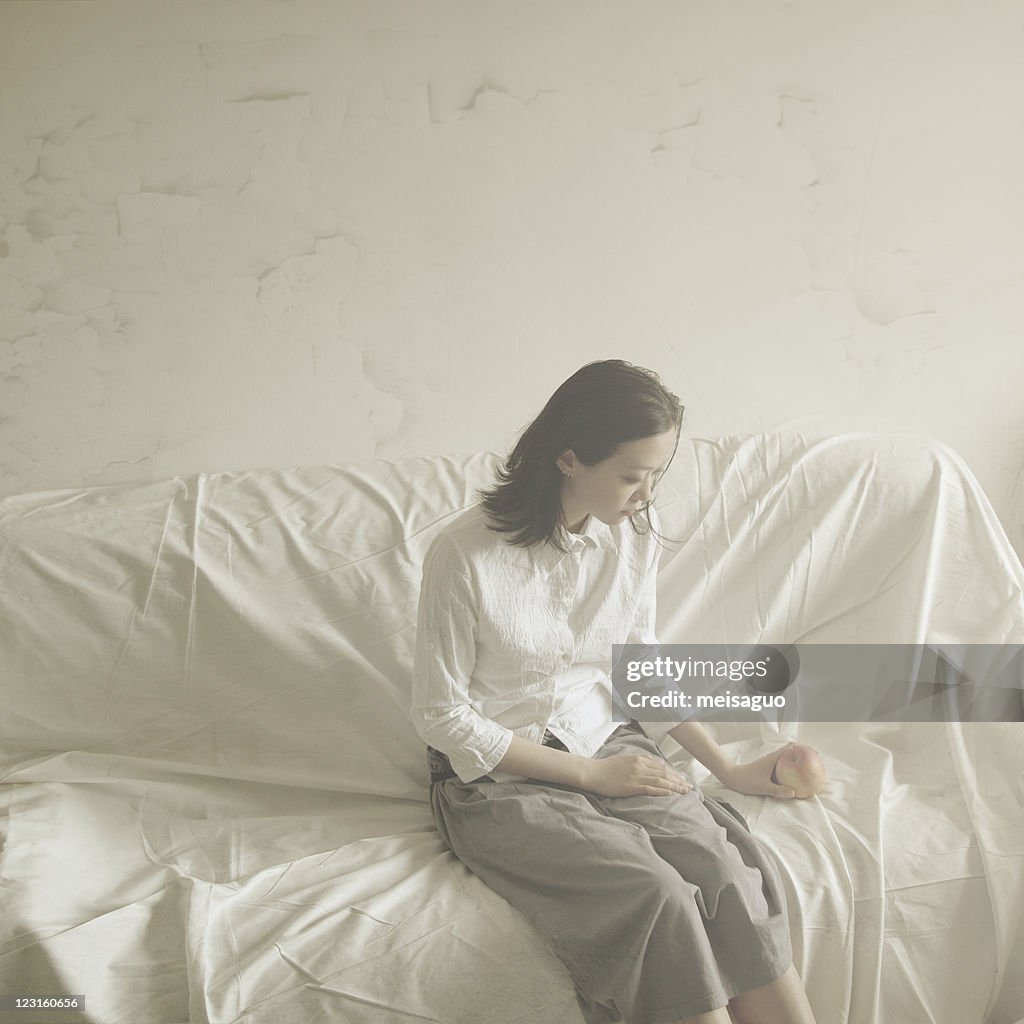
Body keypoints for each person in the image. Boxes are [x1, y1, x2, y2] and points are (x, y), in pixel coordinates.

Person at [410, 359, 817, 1024]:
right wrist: (590, 775)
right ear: (569, 458)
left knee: (720, 868)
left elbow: (639, 667)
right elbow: (441, 715)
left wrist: (727, 767)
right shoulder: (465, 555)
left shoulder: (630, 538)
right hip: (496, 780)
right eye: (633, 475)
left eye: (657, 473)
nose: (646, 493)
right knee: (656, 895)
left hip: (604, 738)